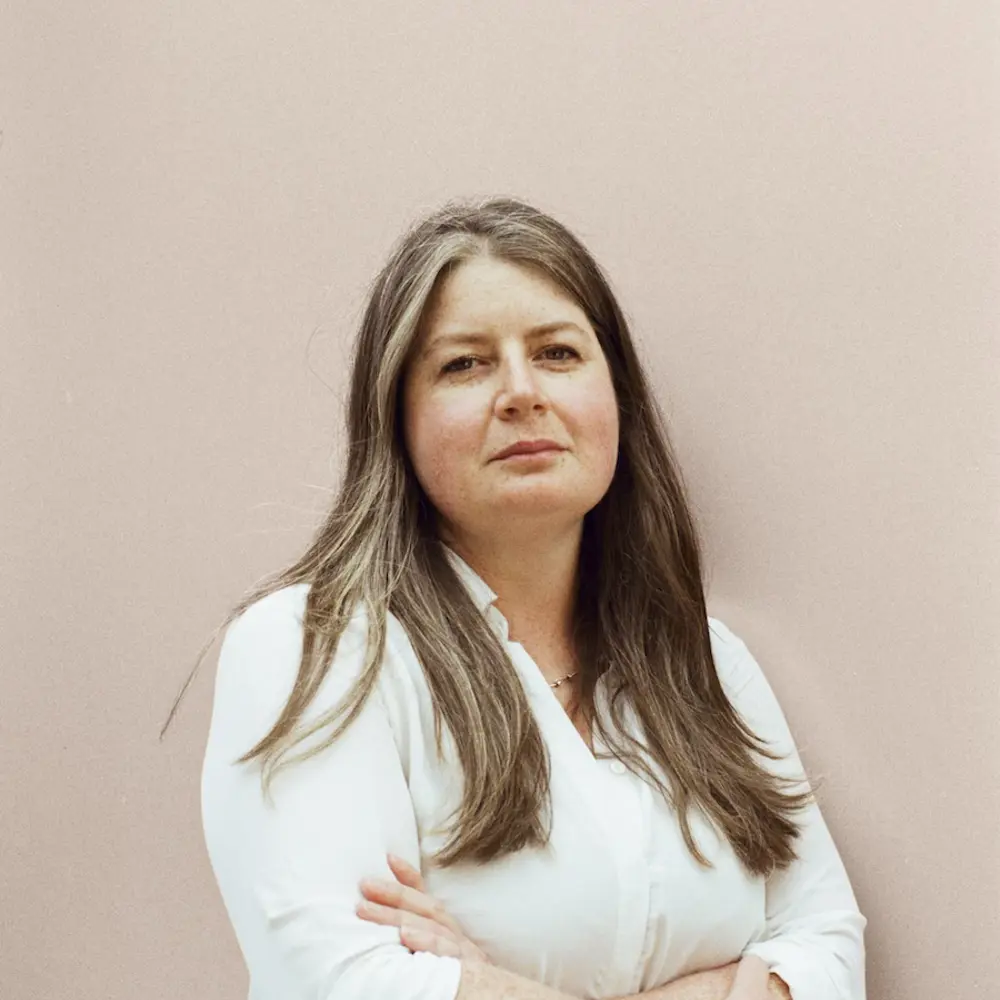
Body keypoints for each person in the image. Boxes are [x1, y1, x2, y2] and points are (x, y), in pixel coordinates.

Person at [171, 196, 866, 999]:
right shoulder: (313, 650)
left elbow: (827, 950)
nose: (520, 392)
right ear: (395, 419)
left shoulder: (709, 664)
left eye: (559, 354)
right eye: (464, 364)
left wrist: (486, 984)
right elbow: (343, 982)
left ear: (618, 402)